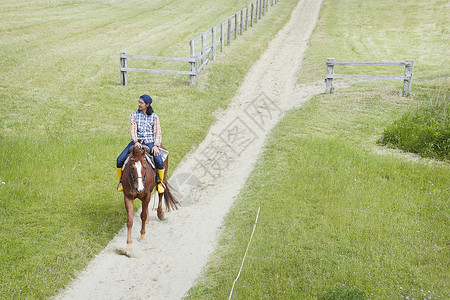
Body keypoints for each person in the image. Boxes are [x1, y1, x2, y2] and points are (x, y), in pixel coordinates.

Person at [116, 94, 165, 193]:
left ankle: (160, 182)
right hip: (136, 142)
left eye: (141, 103)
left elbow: (157, 132)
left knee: (159, 161)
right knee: (120, 159)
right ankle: (121, 181)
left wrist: (156, 145)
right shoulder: (133, 115)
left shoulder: (154, 117)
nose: (139, 104)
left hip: (150, 142)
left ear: (147, 105)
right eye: (139, 102)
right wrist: (136, 141)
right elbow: (133, 129)